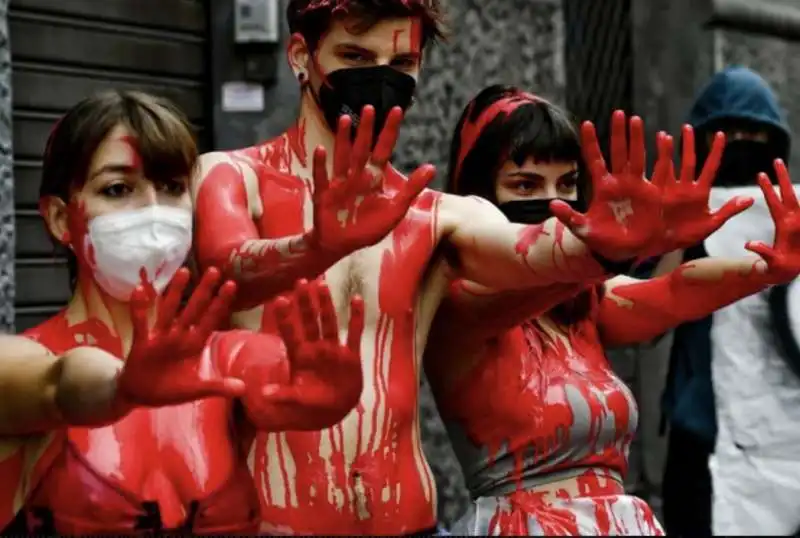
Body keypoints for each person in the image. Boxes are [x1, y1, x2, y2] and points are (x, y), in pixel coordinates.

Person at [190, 2, 760, 534]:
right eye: (356, 58)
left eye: (403, 62)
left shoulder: (434, 215)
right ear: (299, 56)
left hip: (409, 523)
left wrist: (604, 245)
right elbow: (228, 267)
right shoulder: (230, 175)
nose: (382, 77)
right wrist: (317, 245)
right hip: (267, 521)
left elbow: (534, 250)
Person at [422, 84, 800, 535]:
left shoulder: (581, 303)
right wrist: (607, 254)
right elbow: (542, 276)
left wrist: (765, 270)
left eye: (566, 183)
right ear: (477, 196)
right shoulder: (458, 304)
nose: (553, 202)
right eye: (525, 184)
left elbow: (674, 291)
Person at [0, 90, 366, 534]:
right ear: (61, 219)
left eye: (172, 187)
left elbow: (275, 378)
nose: (154, 212)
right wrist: (121, 389)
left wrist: (325, 397)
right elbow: (62, 386)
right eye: (118, 189)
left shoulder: (218, 361)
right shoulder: (19, 363)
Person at [660, 66, 800, 536]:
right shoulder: (680, 221)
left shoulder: (795, 216)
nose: (742, 142)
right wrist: (679, 231)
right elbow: (646, 320)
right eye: (729, 133)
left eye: (753, 133)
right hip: (703, 436)